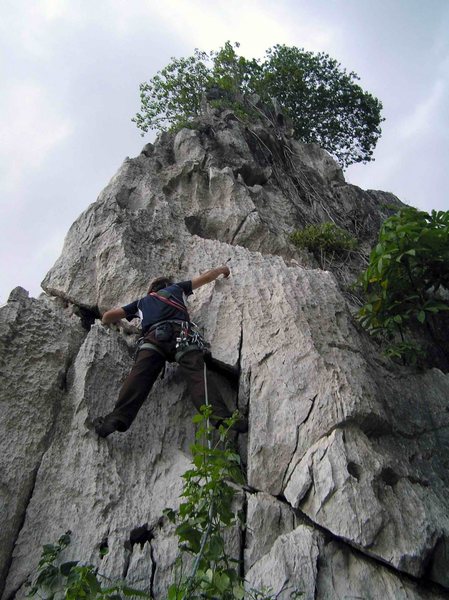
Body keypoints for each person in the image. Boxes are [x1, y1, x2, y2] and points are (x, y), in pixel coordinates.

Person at [92, 265, 247, 438]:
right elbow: (207, 277)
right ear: (168, 285)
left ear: (151, 290)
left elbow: (107, 317)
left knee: (139, 376)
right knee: (197, 373)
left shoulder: (141, 303)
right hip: (181, 336)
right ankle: (222, 417)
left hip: (153, 340)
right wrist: (222, 270)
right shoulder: (177, 289)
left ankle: (115, 419)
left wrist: (117, 323)